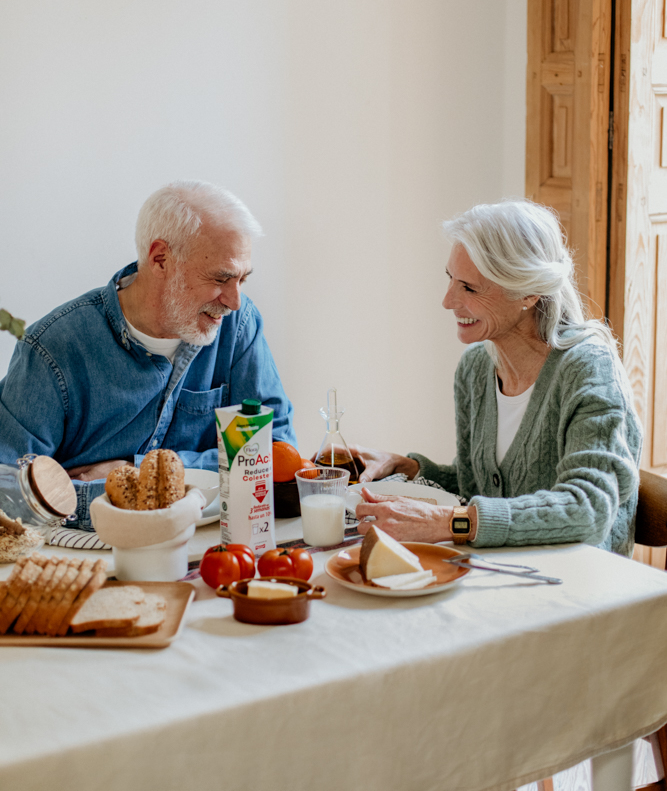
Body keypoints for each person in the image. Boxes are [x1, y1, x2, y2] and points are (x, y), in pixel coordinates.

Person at [351, 200, 641, 556]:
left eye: (469, 288)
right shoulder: (475, 368)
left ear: (528, 293)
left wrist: (447, 522)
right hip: (499, 570)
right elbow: (476, 489)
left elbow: (587, 510)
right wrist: (409, 468)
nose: (447, 301)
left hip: (578, 580)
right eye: (450, 279)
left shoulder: (589, 369)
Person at [0, 180, 296, 529]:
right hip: (90, 550)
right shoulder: (52, 348)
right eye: (221, 279)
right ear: (160, 259)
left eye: (242, 280)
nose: (234, 301)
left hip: (210, 544)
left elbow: (277, 452)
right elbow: (9, 492)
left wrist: (138, 473)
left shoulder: (238, 325)